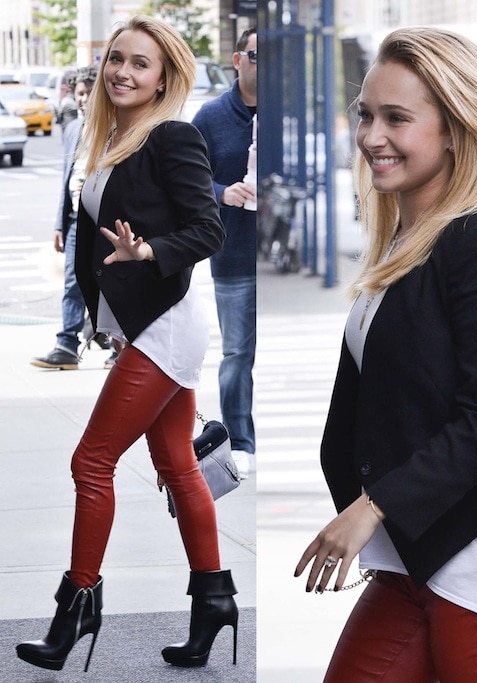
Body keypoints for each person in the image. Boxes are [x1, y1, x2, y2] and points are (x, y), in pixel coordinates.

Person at [295, 27, 477, 682]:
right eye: (365, 114)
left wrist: (372, 507)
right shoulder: (401, 245)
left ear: (452, 129)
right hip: (409, 562)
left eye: (396, 118)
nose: (370, 136)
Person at [17, 15, 238, 672]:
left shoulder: (172, 136)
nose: (123, 72)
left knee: (91, 463)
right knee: (177, 467)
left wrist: (149, 250)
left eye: (141, 64)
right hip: (143, 324)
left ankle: (76, 608)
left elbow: (208, 230)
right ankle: (214, 604)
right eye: (117, 59)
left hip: (166, 321)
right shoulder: (113, 136)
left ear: (164, 75)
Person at [192, 27, 257, 480]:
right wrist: (222, 192)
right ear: (237, 60)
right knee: (237, 353)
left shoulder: (285, 112)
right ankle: (242, 439)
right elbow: (188, 182)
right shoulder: (211, 117)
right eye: (257, 56)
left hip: (278, 261)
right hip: (234, 254)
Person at [31, 65, 117, 371]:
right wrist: (59, 223)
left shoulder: (117, 126)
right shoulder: (72, 129)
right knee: (72, 282)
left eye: (89, 93)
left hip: (107, 220)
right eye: (79, 93)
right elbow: (66, 180)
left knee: (111, 284)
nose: (83, 100)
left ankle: (120, 346)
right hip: (76, 218)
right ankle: (66, 344)